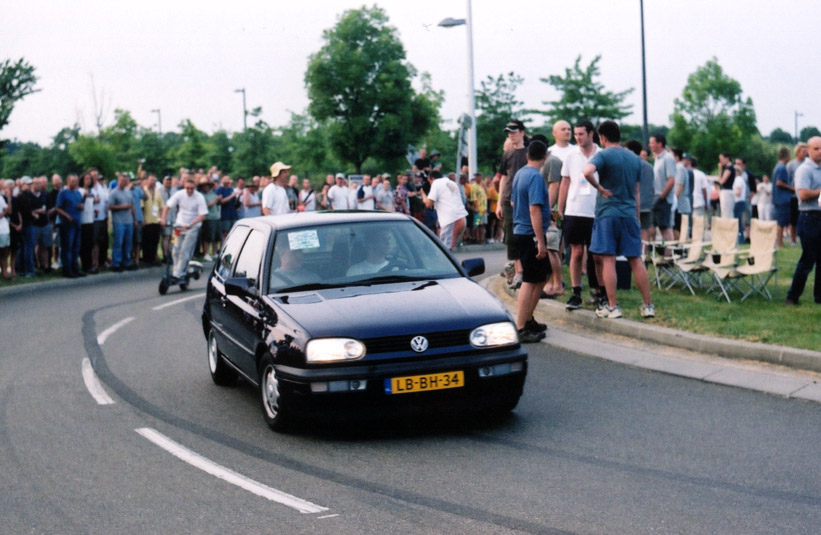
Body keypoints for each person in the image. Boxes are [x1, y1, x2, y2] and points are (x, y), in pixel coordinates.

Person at [582, 120, 655, 319]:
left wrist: (600, 188)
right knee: (635, 259)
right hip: (629, 213)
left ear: (602, 137)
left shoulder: (603, 155)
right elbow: (637, 192)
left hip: (608, 213)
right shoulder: (634, 158)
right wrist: (636, 217)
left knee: (608, 259)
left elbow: (586, 172)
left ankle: (613, 306)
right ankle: (648, 305)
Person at [510, 139, 551, 342]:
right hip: (530, 234)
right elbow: (534, 209)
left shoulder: (520, 174)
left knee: (543, 275)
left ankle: (528, 318)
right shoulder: (535, 177)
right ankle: (521, 326)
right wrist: (540, 240)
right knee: (530, 279)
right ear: (545, 157)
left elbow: (513, 201)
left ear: (527, 155)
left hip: (521, 230)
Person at [559, 121, 602, 310]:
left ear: (591, 134)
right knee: (576, 252)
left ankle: (599, 290)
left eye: (581, 134)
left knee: (596, 255)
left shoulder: (601, 154)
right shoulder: (571, 155)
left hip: (596, 210)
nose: (577, 137)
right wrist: (560, 207)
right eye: (575, 134)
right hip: (575, 210)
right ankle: (576, 291)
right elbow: (565, 182)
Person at [785, 136, 821, 305]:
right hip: (809, 217)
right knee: (808, 259)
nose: (820, 152)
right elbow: (803, 194)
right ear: (808, 150)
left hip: (819, 215)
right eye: (816, 149)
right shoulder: (804, 170)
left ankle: (819, 296)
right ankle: (792, 296)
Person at [496, 120, 529, 287]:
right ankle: (518, 272)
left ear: (522, 132)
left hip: (525, 201)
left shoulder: (529, 153)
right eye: (509, 132)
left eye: (514, 131)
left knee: (525, 236)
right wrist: (499, 203)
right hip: (508, 201)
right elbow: (503, 178)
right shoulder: (507, 154)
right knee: (511, 238)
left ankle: (526, 270)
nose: (511, 134)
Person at [161, 174, 208, 282]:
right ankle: (177, 271)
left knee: (185, 251)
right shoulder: (179, 194)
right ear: (184, 187)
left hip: (193, 227)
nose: (189, 190)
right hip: (179, 226)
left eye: (191, 188)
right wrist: (163, 219)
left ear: (194, 187)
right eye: (187, 188)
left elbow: (203, 215)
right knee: (175, 250)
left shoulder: (199, 197)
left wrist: (191, 224)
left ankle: (178, 274)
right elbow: (167, 207)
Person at [422, 170, 468, 250]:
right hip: (461, 218)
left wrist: (423, 195)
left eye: (429, 181)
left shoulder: (436, 183)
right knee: (449, 249)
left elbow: (428, 204)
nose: (430, 184)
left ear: (432, 178)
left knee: (444, 249)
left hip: (451, 220)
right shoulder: (452, 183)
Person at [54, 173, 87, 278]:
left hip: (77, 222)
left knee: (76, 247)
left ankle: (75, 268)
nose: (75, 183)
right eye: (73, 181)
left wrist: (81, 206)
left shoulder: (77, 193)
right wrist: (66, 215)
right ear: (68, 181)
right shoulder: (63, 193)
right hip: (67, 224)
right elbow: (57, 208)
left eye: (76, 181)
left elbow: (80, 203)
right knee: (67, 247)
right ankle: (67, 269)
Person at [649, 133, 675, 241]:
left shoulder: (667, 158)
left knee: (665, 228)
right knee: (658, 226)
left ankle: (669, 250)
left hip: (663, 199)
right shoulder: (657, 159)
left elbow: (671, 180)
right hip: (657, 197)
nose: (650, 145)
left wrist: (661, 197)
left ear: (659, 144)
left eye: (652, 143)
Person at [108, 173, 137, 272]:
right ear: (118, 181)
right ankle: (116, 263)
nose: (123, 182)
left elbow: (132, 206)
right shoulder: (113, 193)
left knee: (128, 243)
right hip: (119, 221)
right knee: (118, 243)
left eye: (125, 181)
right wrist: (122, 207)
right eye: (121, 180)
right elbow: (109, 206)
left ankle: (126, 262)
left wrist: (135, 219)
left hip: (129, 221)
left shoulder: (128, 192)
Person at [773, 147, 795, 247]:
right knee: (781, 222)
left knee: (780, 221)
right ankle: (780, 242)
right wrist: (791, 188)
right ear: (786, 155)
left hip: (778, 198)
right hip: (782, 198)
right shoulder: (782, 168)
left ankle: (779, 241)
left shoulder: (777, 166)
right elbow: (779, 182)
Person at [786, 142, 807, 246]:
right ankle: (793, 240)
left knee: (804, 218)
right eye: (803, 151)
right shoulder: (791, 165)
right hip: (794, 196)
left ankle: (805, 238)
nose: (805, 153)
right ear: (797, 152)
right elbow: (787, 180)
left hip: (805, 196)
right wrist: (793, 188)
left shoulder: (807, 164)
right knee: (793, 219)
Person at [142, 174, 164, 266]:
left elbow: (161, 207)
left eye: (154, 180)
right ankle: (147, 259)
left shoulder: (157, 192)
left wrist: (162, 219)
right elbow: (141, 207)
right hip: (147, 220)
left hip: (156, 220)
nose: (152, 182)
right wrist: (142, 219)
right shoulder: (143, 191)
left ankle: (153, 258)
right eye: (151, 180)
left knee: (155, 240)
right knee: (147, 241)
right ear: (147, 181)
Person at [78, 173, 97, 273]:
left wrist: (94, 211)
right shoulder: (80, 191)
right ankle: (85, 265)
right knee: (84, 244)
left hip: (90, 220)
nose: (88, 180)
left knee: (90, 244)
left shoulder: (90, 191)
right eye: (86, 178)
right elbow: (79, 204)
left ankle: (89, 264)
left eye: (90, 179)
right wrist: (85, 197)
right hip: (83, 221)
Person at [199, 177, 221, 261]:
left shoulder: (213, 194)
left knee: (216, 237)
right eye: (204, 186)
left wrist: (219, 200)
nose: (206, 187)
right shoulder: (201, 195)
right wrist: (216, 201)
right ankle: (206, 253)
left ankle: (214, 253)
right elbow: (206, 205)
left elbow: (218, 203)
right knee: (207, 237)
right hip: (208, 218)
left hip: (216, 217)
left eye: (207, 186)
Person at [215, 175, 239, 241]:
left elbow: (234, 201)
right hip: (225, 215)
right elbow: (220, 202)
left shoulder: (231, 189)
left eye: (228, 179)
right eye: (226, 179)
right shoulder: (219, 189)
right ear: (222, 180)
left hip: (233, 214)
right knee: (225, 233)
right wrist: (232, 195)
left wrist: (237, 198)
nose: (228, 181)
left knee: (234, 231)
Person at [717, 152, 736, 219]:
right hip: (726, 191)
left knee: (726, 212)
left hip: (727, 192)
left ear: (727, 158)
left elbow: (721, 181)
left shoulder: (729, 169)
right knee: (725, 211)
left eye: (721, 159)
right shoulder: (729, 168)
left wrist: (720, 170)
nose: (720, 161)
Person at [470, 173, 487, 242]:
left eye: (480, 177)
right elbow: (474, 198)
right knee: (476, 224)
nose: (480, 179)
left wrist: (484, 186)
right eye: (479, 177)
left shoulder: (481, 186)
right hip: (479, 209)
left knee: (482, 225)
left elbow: (487, 193)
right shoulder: (474, 186)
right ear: (476, 178)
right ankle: (475, 238)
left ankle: (482, 239)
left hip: (483, 209)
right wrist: (476, 207)